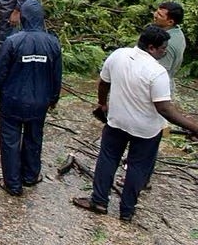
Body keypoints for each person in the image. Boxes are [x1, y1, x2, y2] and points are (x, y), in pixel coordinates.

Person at [73, 25, 198, 222]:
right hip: (146, 130)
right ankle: (127, 211)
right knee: (137, 167)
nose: (165, 51)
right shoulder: (157, 72)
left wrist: (102, 104)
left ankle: (99, 201)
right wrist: (193, 126)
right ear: (151, 47)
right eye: (163, 48)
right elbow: (164, 108)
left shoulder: (118, 55)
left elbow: (104, 82)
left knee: (107, 159)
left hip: (117, 121)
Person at [0, 0, 62, 196]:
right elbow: (57, 75)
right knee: (34, 137)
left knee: (10, 140)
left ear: (24, 18)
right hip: (40, 102)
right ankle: (30, 176)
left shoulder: (13, 42)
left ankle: (13, 183)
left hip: (13, 101)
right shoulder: (52, 43)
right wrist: (54, 98)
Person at [153, 1, 186, 91]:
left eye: (160, 15)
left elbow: (160, 72)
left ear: (170, 22)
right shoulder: (177, 31)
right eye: (156, 11)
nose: (155, 15)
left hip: (159, 88)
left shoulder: (167, 44)